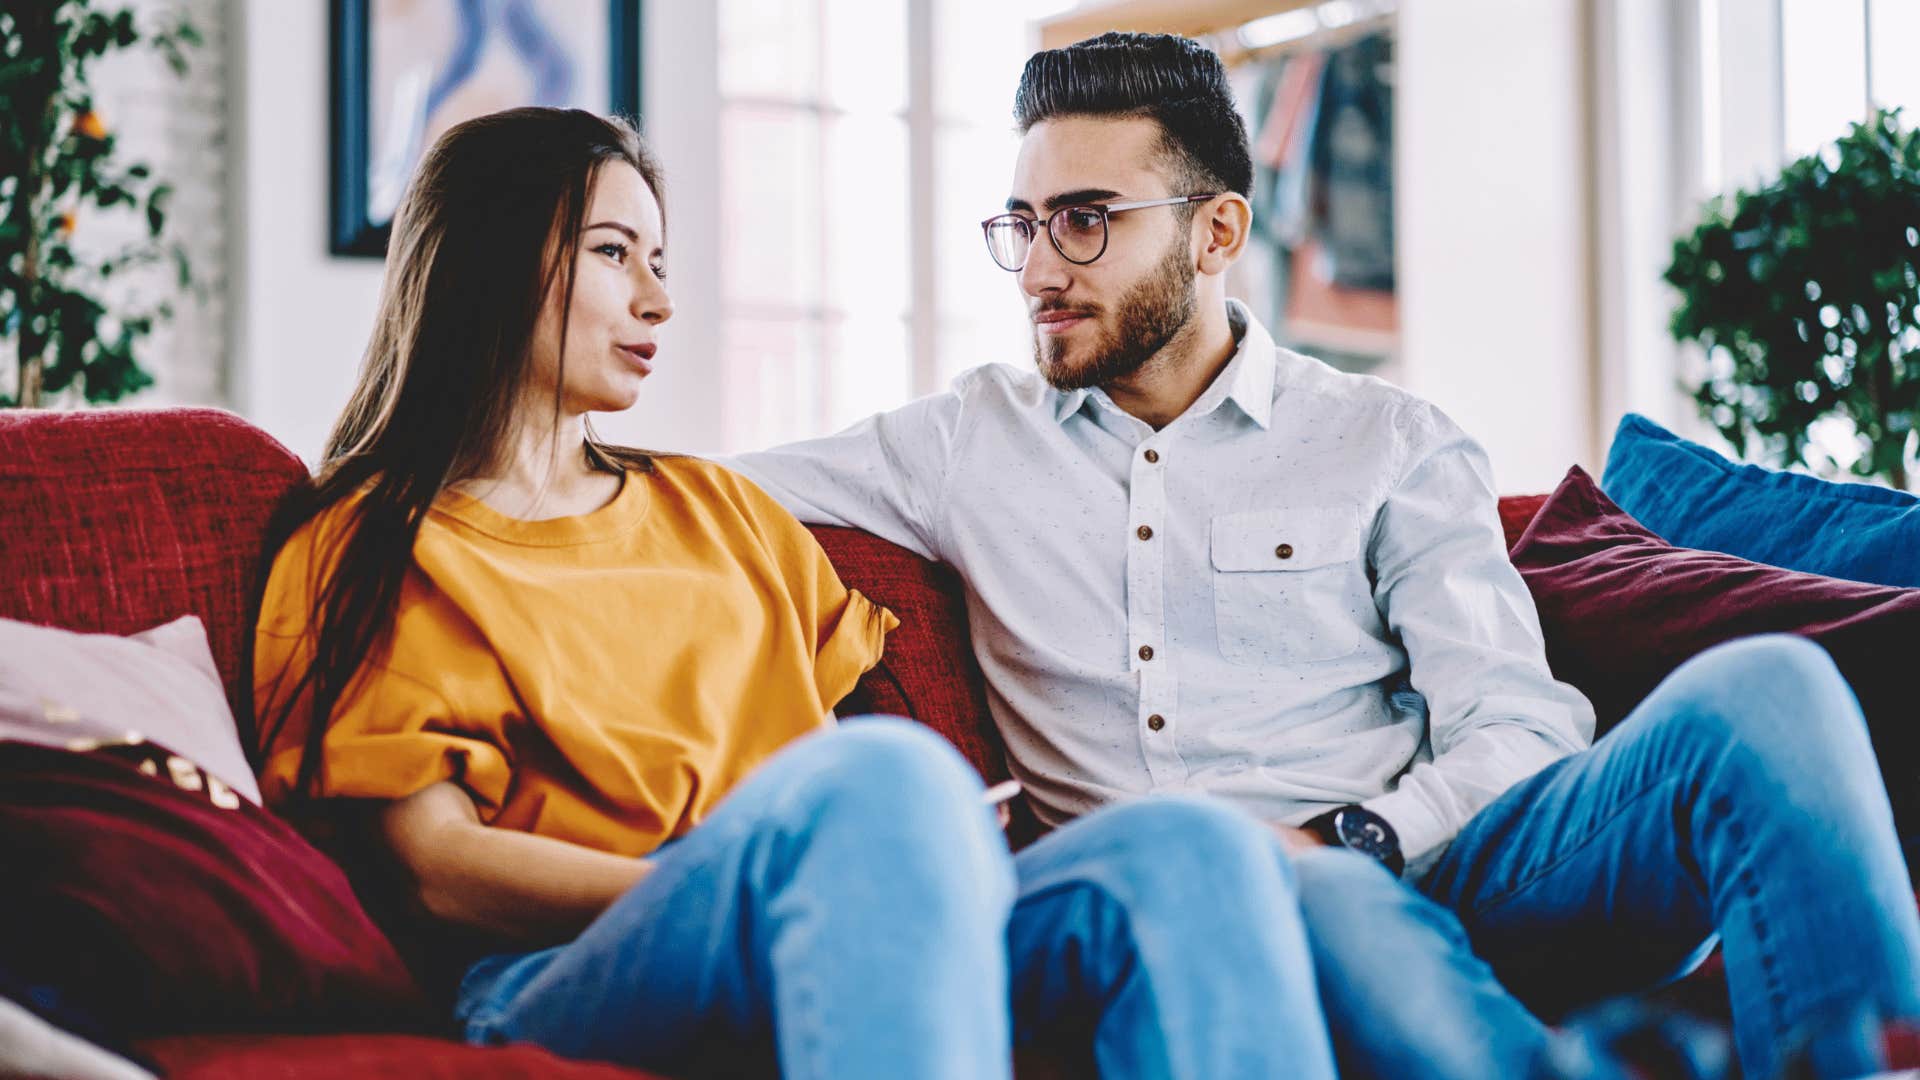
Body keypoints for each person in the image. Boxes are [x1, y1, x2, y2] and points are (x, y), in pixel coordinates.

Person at [723, 32, 1920, 1079]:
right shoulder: (956, 444)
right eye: (1024, 224)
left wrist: (1366, 833)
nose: (1041, 266)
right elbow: (688, 490)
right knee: (1315, 889)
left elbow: (1516, 723)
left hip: (1446, 857)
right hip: (1215, 897)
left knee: (1771, 688)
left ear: (1218, 231)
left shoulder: (1385, 441)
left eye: (1085, 221)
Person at [250, 106, 1338, 1080]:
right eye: (614, 252)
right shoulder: (372, 541)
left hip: (841, 902)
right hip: (573, 967)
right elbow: (433, 867)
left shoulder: (719, 509)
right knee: (880, 783)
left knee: (1194, 845)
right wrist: (771, 887)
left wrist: (880, 882)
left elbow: (835, 774)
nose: (660, 300)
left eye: (661, 258)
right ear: (490, 263)